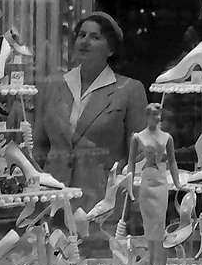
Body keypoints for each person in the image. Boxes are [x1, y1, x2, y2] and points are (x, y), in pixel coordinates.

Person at [32, 11, 147, 211]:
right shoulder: (53, 85)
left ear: (110, 49)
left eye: (95, 37)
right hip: (52, 198)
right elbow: (38, 147)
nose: (85, 41)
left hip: (100, 201)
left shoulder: (129, 90)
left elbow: (137, 157)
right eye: (82, 35)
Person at [127, 102, 182, 265]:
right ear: (147, 116)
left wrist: (177, 182)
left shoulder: (167, 138)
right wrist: (129, 185)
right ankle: (150, 264)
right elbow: (131, 162)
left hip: (161, 184)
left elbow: (172, 161)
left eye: (158, 115)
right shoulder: (138, 137)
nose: (156, 118)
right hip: (147, 184)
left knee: (159, 224)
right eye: (153, 115)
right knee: (148, 224)